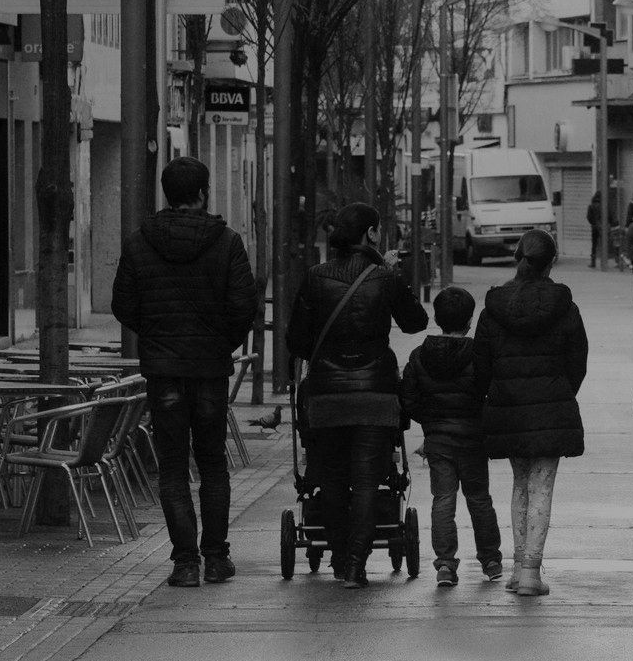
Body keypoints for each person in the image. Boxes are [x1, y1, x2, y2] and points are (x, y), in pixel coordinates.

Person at [111, 157, 257, 588]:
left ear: (167, 194)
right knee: (213, 463)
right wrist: (218, 345)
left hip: (164, 371)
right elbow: (242, 307)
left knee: (173, 465)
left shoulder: (139, 242)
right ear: (203, 193)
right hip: (210, 370)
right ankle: (215, 557)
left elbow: (124, 305)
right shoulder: (227, 242)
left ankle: (185, 562)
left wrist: (157, 338)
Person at [286, 202, 428, 589]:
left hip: (328, 396)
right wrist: (396, 278)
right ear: (371, 234)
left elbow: (296, 339)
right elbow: (416, 321)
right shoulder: (385, 277)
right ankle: (356, 565)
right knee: (367, 480)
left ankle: (337, 555)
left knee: (331, 479)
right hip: (375, 396)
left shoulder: (315, 277)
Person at [474, 230, 588, 596]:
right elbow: (577, 363)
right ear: (550, 262)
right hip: (551, 409)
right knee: (542, 488)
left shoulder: (494, 308)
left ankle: (516, 567)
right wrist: (560, 393)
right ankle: (530, 573)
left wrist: (495, 394)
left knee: (519, 485)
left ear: (517, 258)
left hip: (508, 409)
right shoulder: (565, 308)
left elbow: (481, 366)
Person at [400, 286, 502, 588]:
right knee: (480, 499)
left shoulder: (419, 356)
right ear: (470, 320)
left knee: (443, 499)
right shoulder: (478, 355)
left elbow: (408, 398)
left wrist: (430, 421)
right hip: (472, 438)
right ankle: (491, 560)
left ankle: (445, 564)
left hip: (439, 440)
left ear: (436, 317)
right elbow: (491, 391)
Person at [586, 190, 618, 269]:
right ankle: (605, 261)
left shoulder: (591, 206)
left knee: (594, 244)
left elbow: (589, 217)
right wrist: (610, 223)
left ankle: (593, 262)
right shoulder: (605, 205)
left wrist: (594, 223)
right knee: (605, 243)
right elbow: (610, 216)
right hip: (604, 227)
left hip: (594, 227)